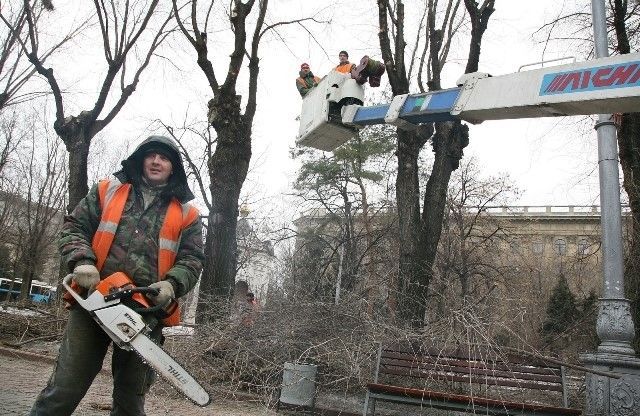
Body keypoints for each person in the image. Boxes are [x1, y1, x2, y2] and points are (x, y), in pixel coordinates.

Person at [30, 135, 205, 416]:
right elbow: (74, 227)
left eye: (164, 158)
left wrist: (172, 284)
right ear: (141, 159)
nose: (157, 161)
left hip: (145, 309)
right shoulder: (108, 190)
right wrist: (82, 261)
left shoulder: (187, 214)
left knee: (130, 399)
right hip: (94, 299)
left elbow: (192, 259)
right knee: (64, 388)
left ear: (173, 167)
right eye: (151, 155)